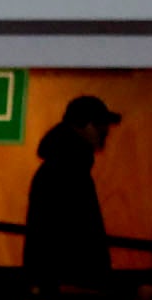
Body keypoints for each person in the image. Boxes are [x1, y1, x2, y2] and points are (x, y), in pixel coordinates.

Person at [25, 95, 120, 283]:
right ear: (83, 125)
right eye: (100, 124)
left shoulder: (61, 164)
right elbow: (78, 230)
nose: (105, 131)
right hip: (70, 280)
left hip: (59, 279)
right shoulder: (70, 168)